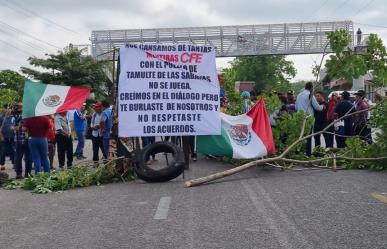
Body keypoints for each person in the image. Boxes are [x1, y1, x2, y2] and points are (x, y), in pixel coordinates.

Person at [296, 82, 324, 155]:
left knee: (301, 136)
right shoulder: (310, 95)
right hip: (308, 119)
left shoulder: (299, 95)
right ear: (311, 88)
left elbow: (296, 107)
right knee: (308, 137)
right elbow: (317, 107)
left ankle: (301, 153)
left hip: (299, 118)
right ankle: (308, 154)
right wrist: (323, 107)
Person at [13, 103, 32, 179]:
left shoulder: (28, 116)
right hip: (19, 139)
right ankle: (19, 174)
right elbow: (13, 127)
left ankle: (27, 173)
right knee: (19, 157)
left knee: (28, 157)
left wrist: (18, 127)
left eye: (22, 107)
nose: (21, 109)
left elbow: (17, 127)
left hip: (27, 139)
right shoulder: (15, 116)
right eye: (20, 107)